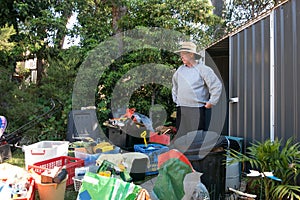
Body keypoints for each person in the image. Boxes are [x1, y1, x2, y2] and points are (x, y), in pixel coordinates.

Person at [172, 41, 222, 138]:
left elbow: (216, 85)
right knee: (180, 137)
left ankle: (194, 153)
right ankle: (181, 153)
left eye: (183, 54)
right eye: (180, 54)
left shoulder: (203, 69)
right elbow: (175, 86)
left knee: (195, 138)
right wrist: (176, 100)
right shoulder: (180, 70)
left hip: (197, 110)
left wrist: (212, 101)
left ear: (191, 54)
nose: (181, 57)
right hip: (181, 108)